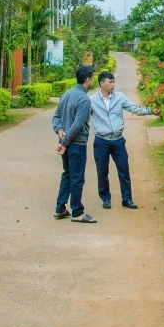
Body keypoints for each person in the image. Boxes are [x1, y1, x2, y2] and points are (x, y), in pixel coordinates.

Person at [89, 70, 153, 210]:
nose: (112, 85)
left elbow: (135, 109)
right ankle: (106, 199)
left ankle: (127, 199)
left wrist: (152, 110)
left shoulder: (119, 97)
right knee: (102, 171)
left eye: (113, 82)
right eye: (110, 82)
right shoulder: (92, 100)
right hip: (101, 140)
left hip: (117, 140)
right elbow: (81, 117)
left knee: (124, 169)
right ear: (101, 83)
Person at [52, 66, 97, 223]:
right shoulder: (84, 99)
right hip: (76, 143)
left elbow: (56, 117)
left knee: (68, 174)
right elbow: (77, 125)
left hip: (65, 141)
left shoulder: (66, 94)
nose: (93, 80)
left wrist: (59, 131)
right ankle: (77, 211)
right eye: (92, 77)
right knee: (77, 177)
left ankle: (60, 208)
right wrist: (65, 141)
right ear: (87, 80)